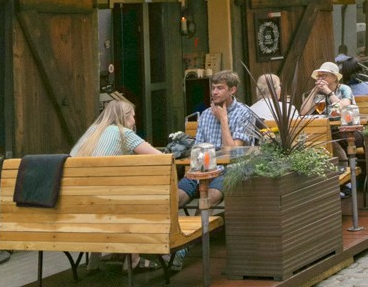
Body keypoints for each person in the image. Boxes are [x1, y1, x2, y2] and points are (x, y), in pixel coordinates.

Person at [71, 98, 162, 272]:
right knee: (141, 202)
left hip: (78, 204)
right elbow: (160, 158)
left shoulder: (91, 132)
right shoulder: (123, 133)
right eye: (133, 116)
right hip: (106, 207)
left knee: (105, 196)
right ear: (124, 117)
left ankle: (95, 260)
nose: (134, 121)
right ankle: (133, 259)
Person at [177, 71, 256, 209]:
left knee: (208, 200)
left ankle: (202, 223)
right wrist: (200, 171)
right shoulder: (206, 114)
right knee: (175, 198)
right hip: (203, 170)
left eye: (220, 88)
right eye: (213, 88)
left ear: (232, 90)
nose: (214, 92)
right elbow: (198, 149)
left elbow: (232, 153)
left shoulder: (245, 113)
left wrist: (223, 119)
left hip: (230, 170)